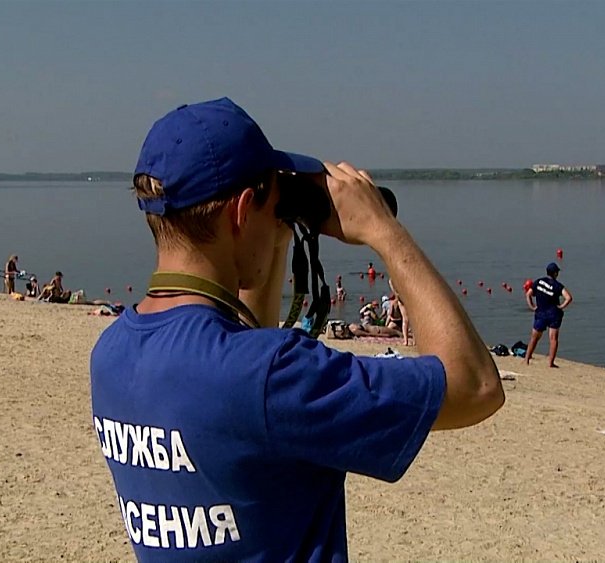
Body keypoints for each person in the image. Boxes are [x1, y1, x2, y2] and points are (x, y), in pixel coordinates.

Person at [89, 98, 504, 561]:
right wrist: (383, 231)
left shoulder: (112, 354)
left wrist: (276, 236)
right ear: (243, 211)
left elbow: (241, 376)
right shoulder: (273, 372)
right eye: (272, 207)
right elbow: (474, 386)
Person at [523, 262, 572, 367]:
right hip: (553, 313)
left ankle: (527, 359)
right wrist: (561, 306)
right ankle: (551, 363)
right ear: (555, 273)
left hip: (540, 312)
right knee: (553, 339)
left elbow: (528, 294)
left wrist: (532, 306)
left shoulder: (538, 282)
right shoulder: (558, 286)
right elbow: (568, 298)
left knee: (534, 337)